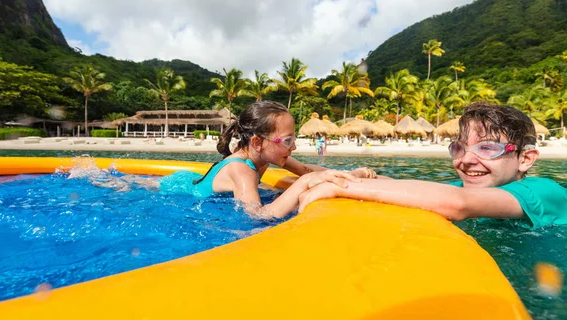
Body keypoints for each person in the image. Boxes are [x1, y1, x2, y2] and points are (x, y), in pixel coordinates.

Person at [299, 102, 567, 229]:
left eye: (486, 147)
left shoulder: (542, 191)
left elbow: (458, 203)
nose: (466, 159)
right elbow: (399, 186)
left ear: (525, 159)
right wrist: (336, 176)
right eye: (459, 148)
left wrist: (343, 187)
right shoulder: (465, 186)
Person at [156, 101, 377, 219]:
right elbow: (257, 216)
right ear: (258, 142)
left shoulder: (268, 156)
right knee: (148, 184)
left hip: (196, 180)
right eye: (288, 140)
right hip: (181, 188)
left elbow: (307, 172)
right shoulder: (241, 171)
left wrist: (350, 174)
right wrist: (301, 185)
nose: (294, 147)